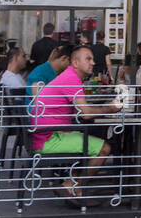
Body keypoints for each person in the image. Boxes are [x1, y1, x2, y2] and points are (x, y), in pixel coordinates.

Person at [29, 45, 120, 199]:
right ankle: (73, 186)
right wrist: (110, 108)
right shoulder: (71, 78)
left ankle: (72, 183)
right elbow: (86, 114)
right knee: (104, 148)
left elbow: (81, 111)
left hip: (44, 134)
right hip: (48, 138)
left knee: (94, 137)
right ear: (75, 63)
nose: (93, 62)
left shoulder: (69, 76)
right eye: (88, 59)